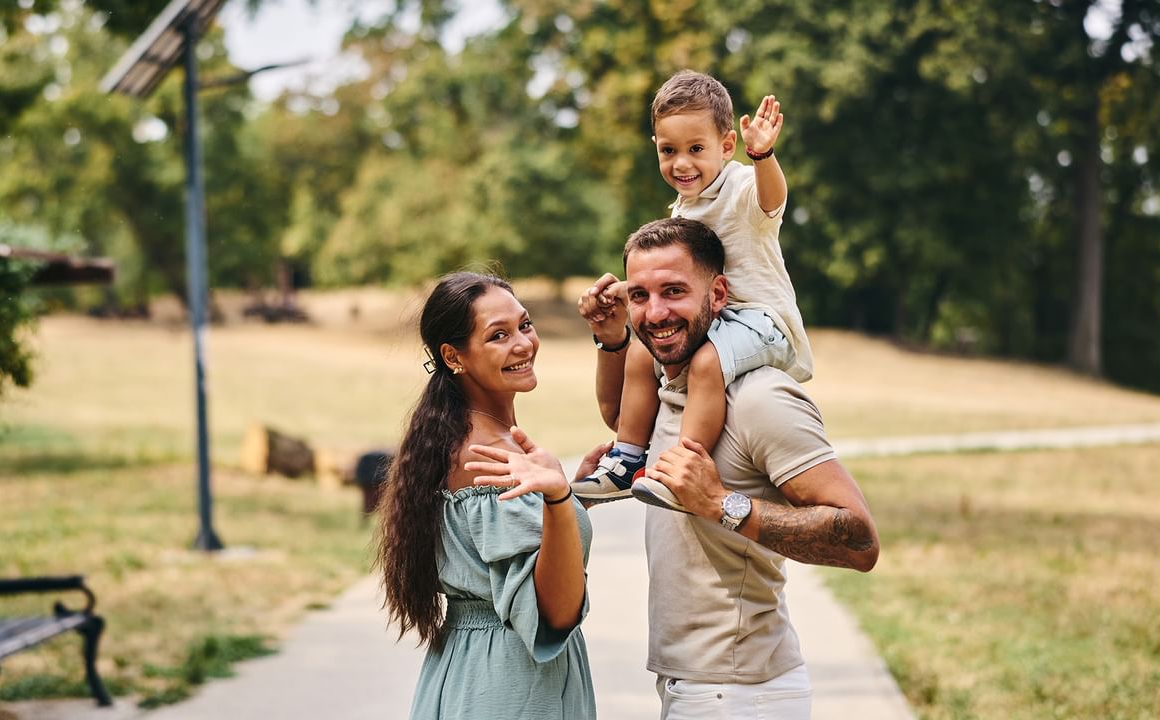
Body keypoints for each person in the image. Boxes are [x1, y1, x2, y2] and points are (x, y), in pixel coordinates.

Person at [580, 217, 879, 719]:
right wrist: (612, 342)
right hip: (692, 684)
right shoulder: (667, 386)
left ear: (718, 294)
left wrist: (722, 505)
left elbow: (861, 542)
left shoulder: (761, 398)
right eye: (640, 295)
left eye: (674, 291)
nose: (655, 313)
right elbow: (619, 418)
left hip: (742, 695)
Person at [572, 70, 815, 508]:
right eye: (669, 151)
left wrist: (763, 155)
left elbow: (773, 200)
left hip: (762, 321)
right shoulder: (686, 206)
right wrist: (626, 292)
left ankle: (684, 465)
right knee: (643, 349)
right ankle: (628, 459)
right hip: (717, 319)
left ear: (726, 145)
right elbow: (683, 282)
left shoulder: (740, 185)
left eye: (696, 149)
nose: (681, 163)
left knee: (705, 363)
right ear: (656, 148)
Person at [376, 271, 608, 720]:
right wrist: (558, 500)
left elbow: (499, 553)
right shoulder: (489, 457)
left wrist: (571, 501)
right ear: (453, 356)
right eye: (498, 335)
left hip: (472, 671)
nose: (523, 343)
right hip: (512, 684)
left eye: (524, 324)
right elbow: (554, 614)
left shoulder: (459, 437)